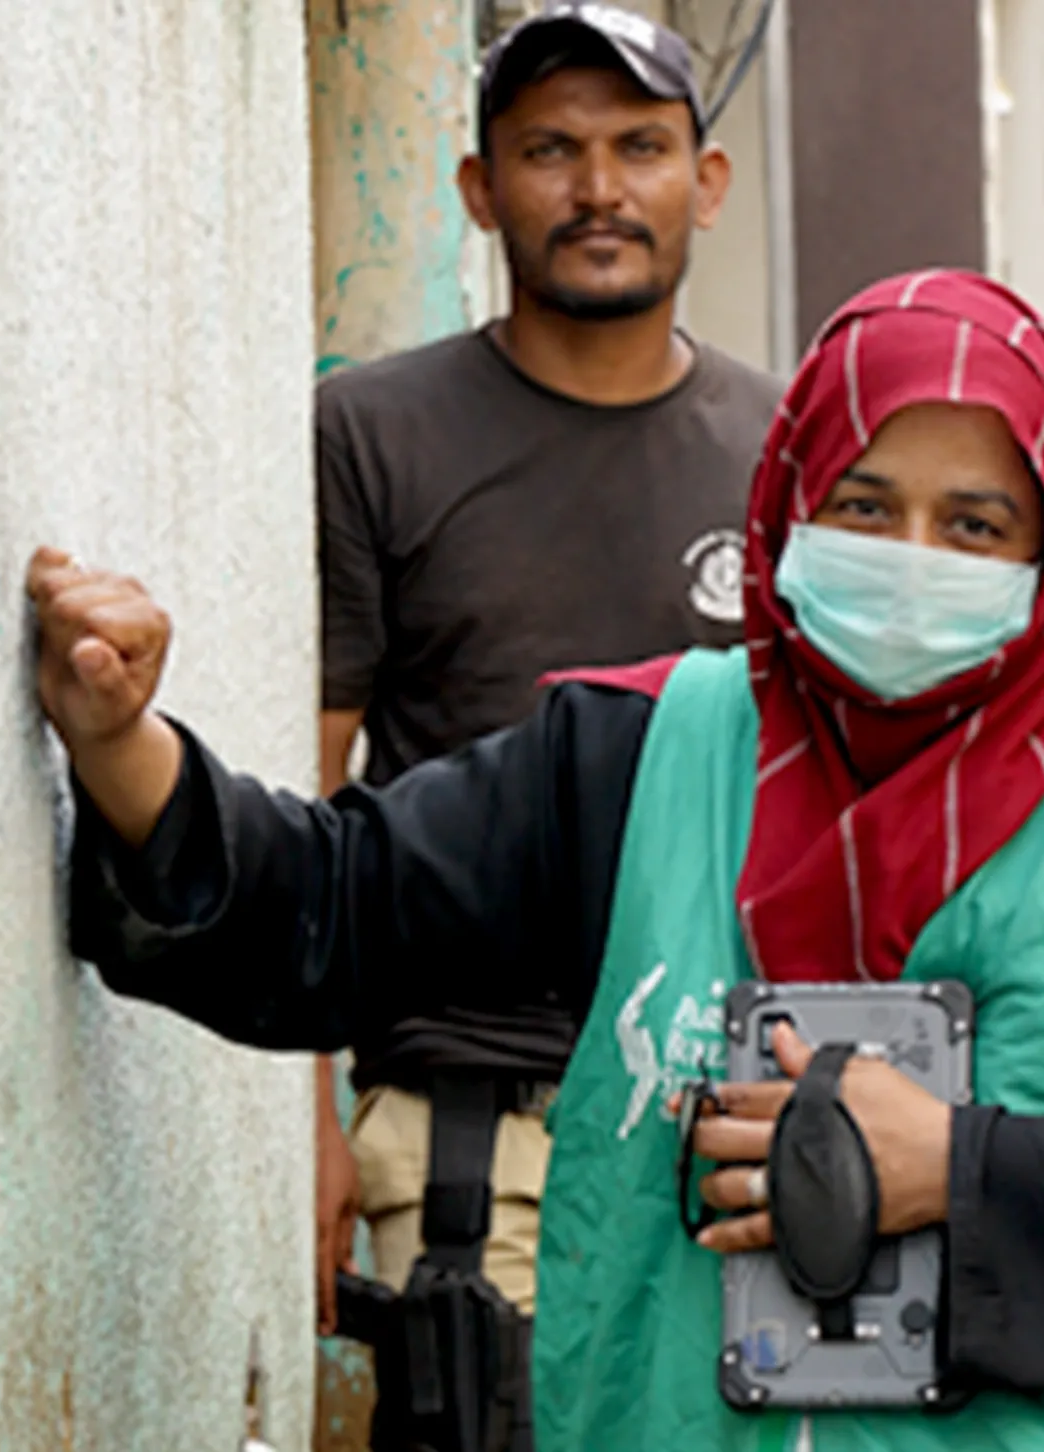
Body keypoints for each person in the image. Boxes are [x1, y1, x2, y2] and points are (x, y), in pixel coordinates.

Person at [34, 271, 1044, 1450]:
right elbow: (329, 908)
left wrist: (966, 1172)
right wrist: (119, 742)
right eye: (864, 507)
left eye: (975, 525)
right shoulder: (639, 760)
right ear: (789, 504)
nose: (911, 557)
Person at [310, 0, 782, 1348]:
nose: (597, 191)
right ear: (480, 186)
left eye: (639, 147)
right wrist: (307, 1122)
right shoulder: (369, 432)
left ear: (706, 184)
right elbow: (310, 789)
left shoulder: (792, 449)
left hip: (734, 1118)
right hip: (470, 1130)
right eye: (549, 150)